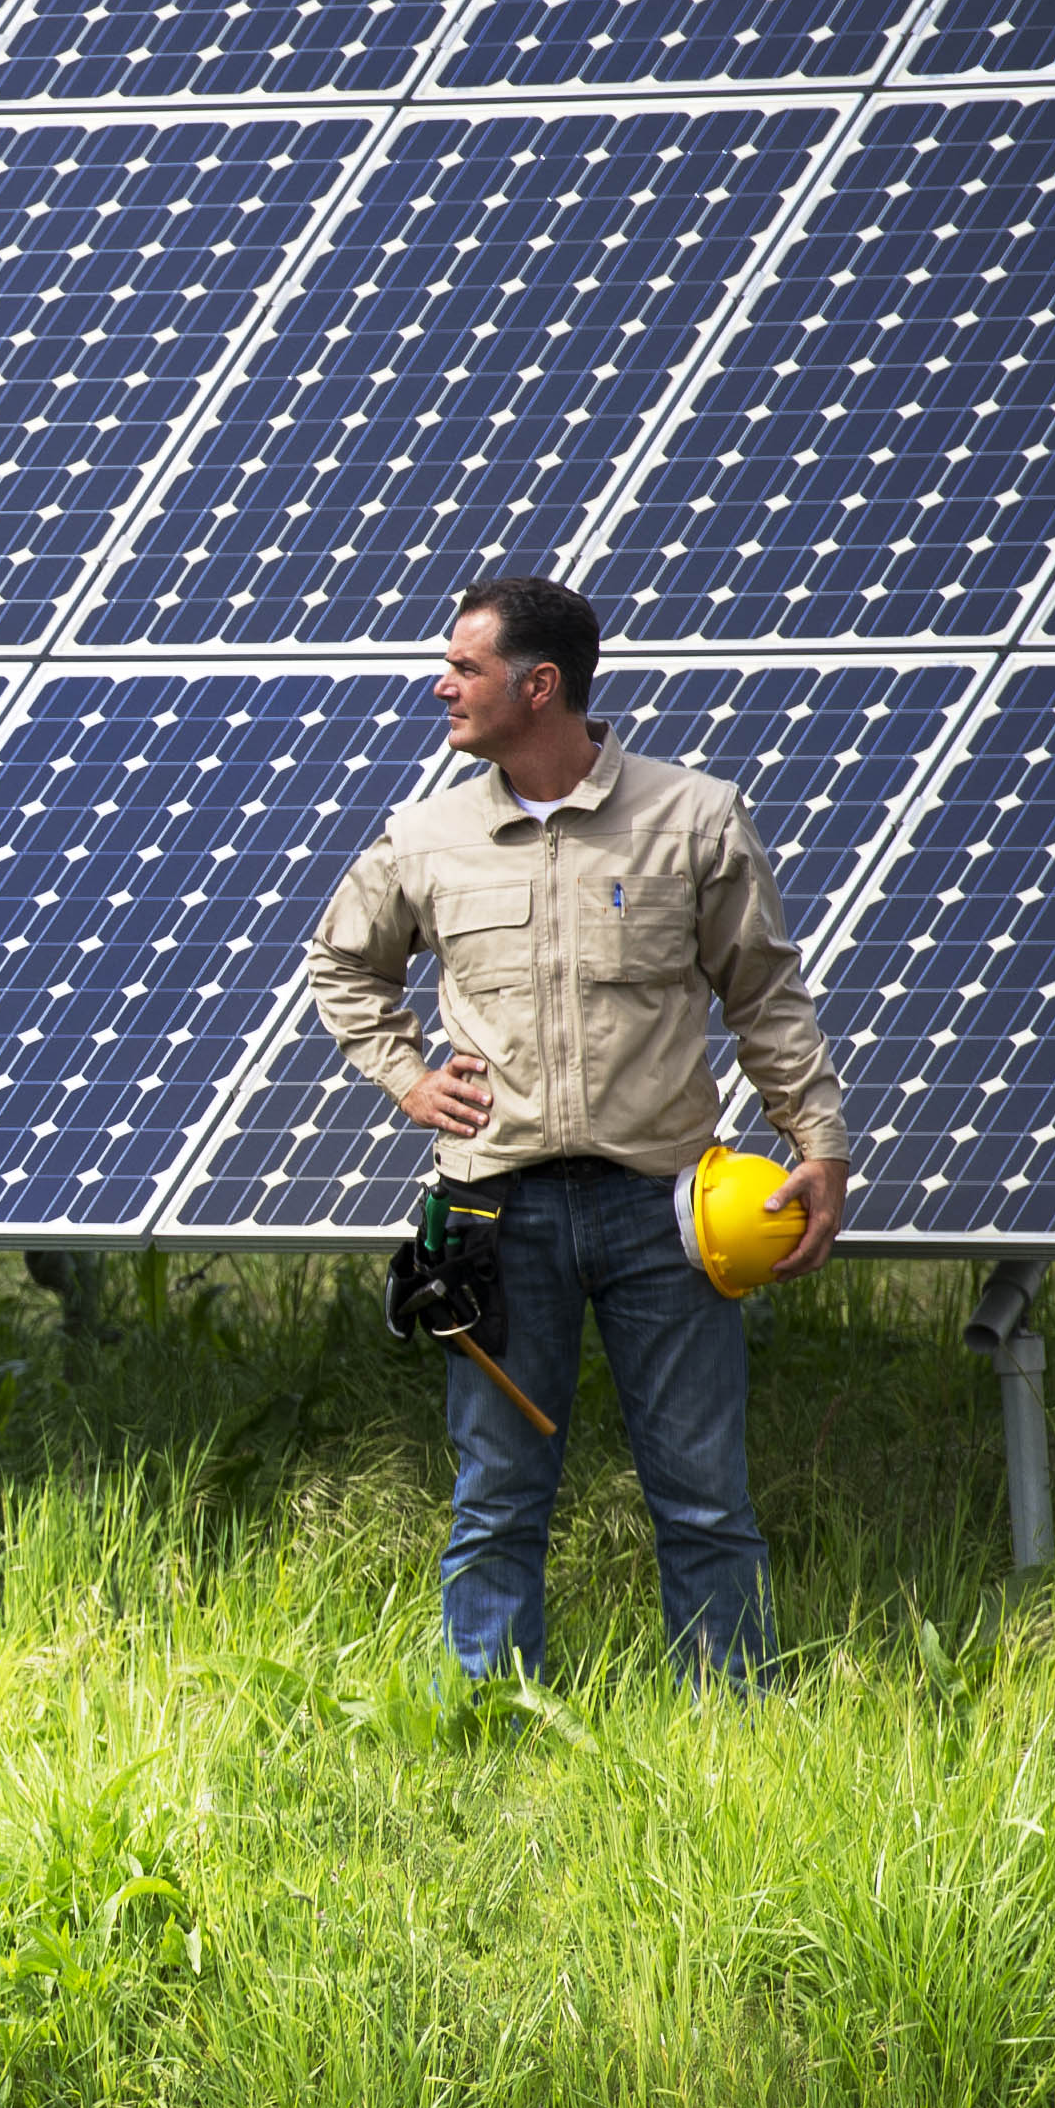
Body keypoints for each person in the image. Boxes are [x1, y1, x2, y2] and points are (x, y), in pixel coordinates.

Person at [307, 575, 852, 1685]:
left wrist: (818, 1143)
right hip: (490, 1217)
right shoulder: (425, 835)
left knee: (702, 1497)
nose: (438, 685)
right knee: (495, 1496)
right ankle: (488, 1721)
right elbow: (341, 964)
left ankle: (732, 1724)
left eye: (462, 669)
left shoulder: (692, 816)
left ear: (536, 685)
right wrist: (407, 1079)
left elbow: (763, 996)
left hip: (662, 1214)